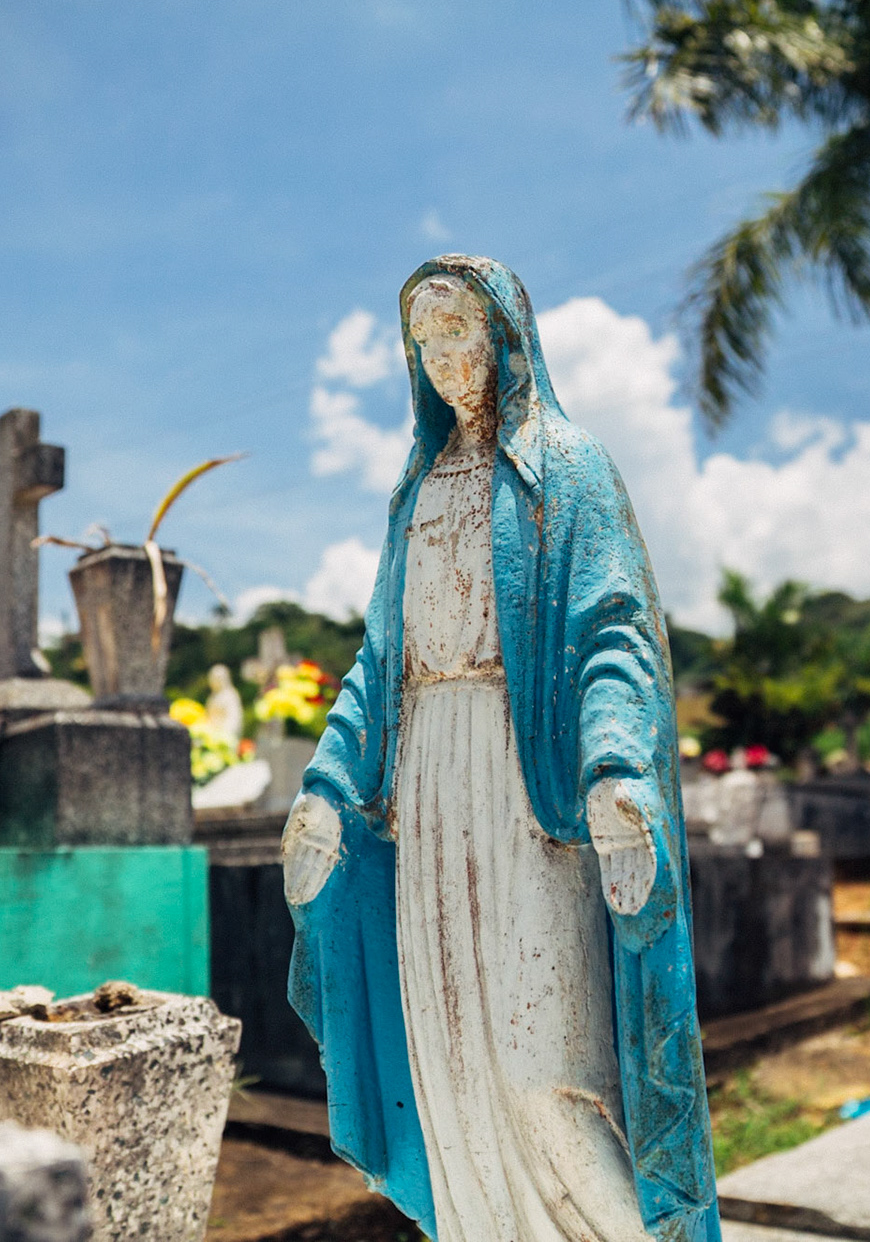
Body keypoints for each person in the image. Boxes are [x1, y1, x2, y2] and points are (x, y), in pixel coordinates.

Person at [280, 256, 718, 1242]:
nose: (444, 359)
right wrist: (325, 786)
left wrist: (613, 765)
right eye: (424, 343)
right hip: (429, 787)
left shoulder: (566, 464)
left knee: (542, 1062)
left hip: (530, 788)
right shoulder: (418, 493)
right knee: (452, 1060)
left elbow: (614, 631)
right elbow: (377, 660)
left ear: (507, 335)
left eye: (460, 333)